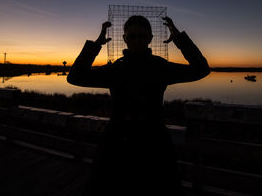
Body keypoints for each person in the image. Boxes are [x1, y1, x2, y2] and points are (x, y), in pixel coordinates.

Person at [67, 15, 210, 196]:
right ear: (125, 39)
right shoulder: (116, 69)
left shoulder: (159, 67)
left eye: (142, 36)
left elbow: (201, 69)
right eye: (132, 36)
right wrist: (97, 44)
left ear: (150, 39)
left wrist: (180, 39)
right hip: (118, 147)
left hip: (153, 149)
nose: (137, 40)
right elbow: (75, 77)